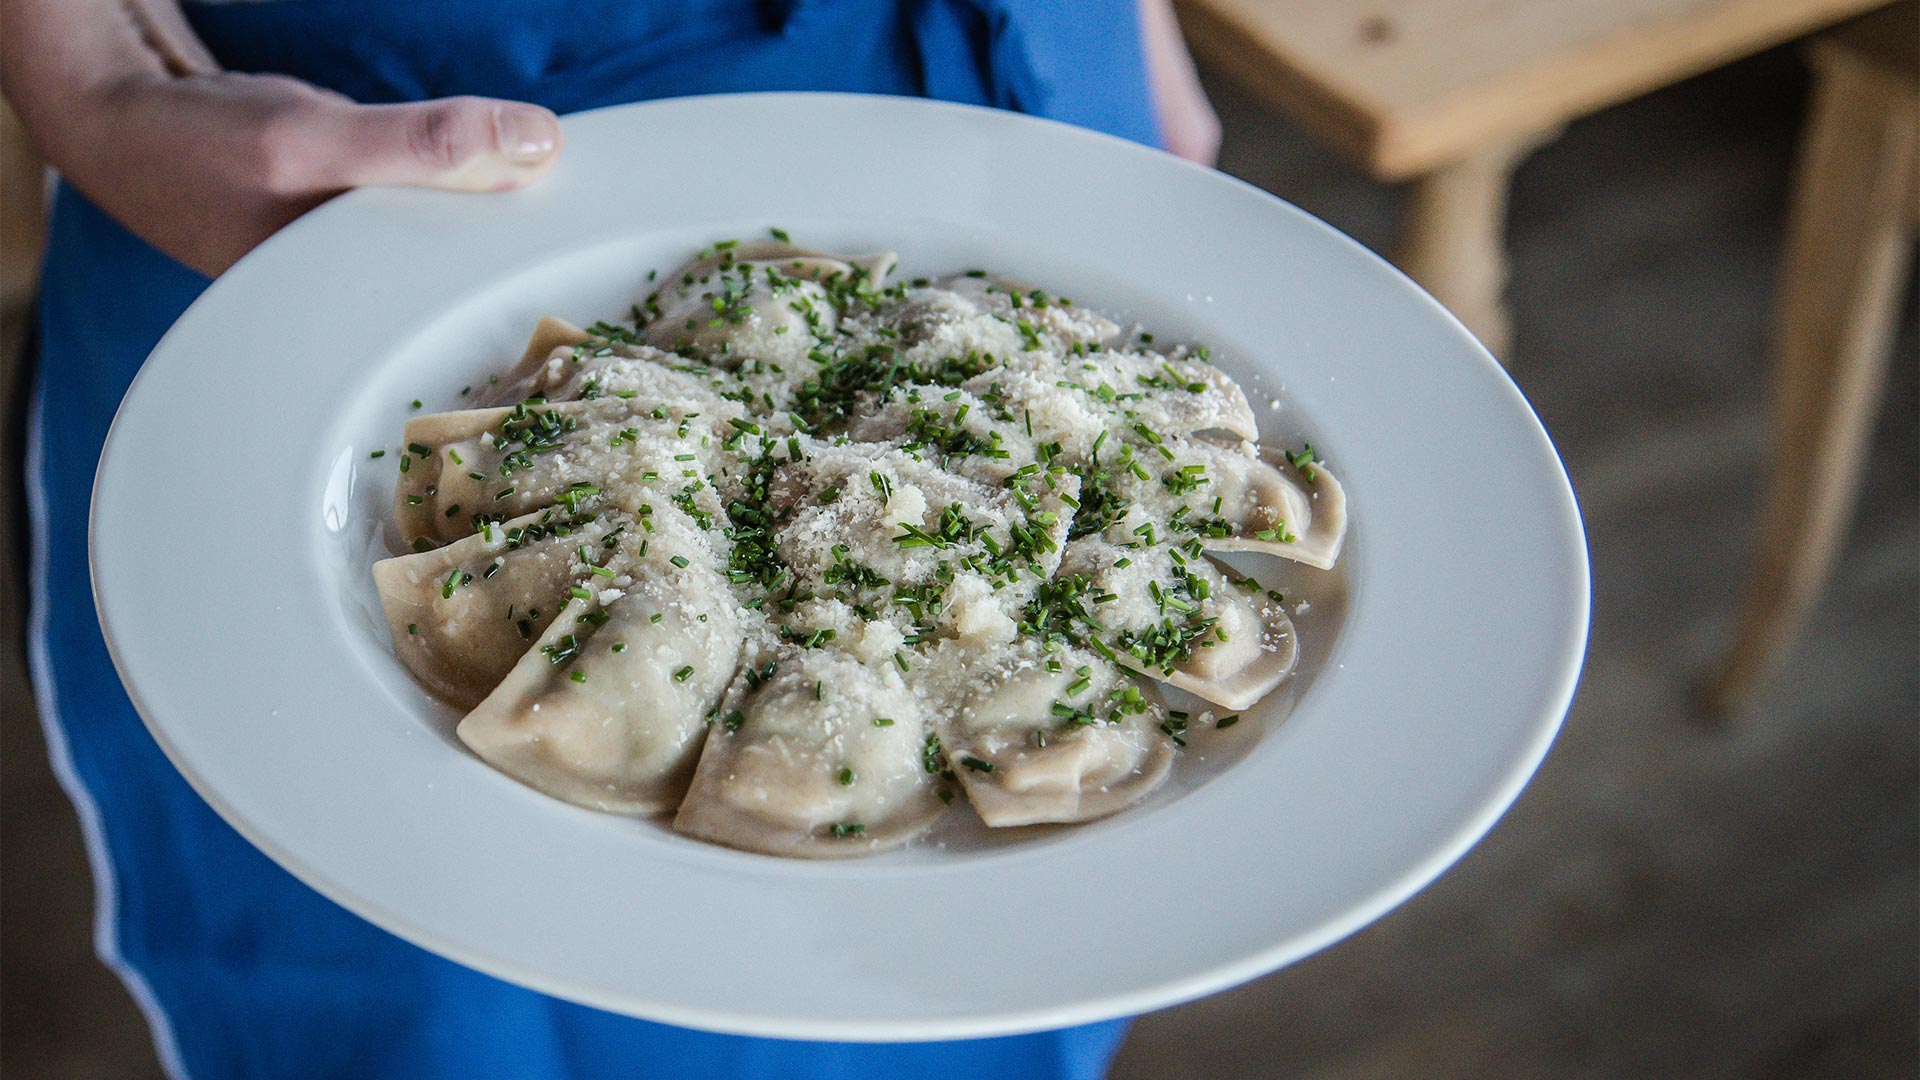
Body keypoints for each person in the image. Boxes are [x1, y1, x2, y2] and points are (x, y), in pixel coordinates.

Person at [2, 1, 1218, 1076]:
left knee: (973, 982)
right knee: (444, 985)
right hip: (368, 130)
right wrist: (90, 68)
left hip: (1020, 82)